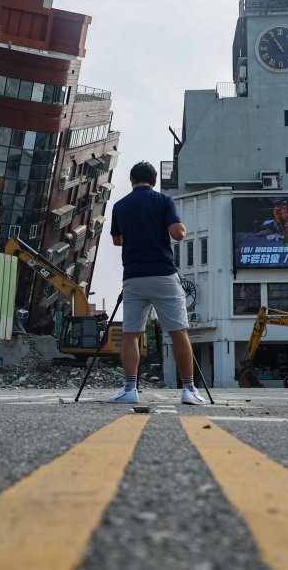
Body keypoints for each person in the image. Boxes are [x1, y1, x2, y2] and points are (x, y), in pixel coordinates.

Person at [108, 161, 205, 405]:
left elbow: (117, 240)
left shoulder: (120, 206)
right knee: (178, 332)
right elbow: (178, 234)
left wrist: (136, 237)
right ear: (153, 181)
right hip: (163, 274)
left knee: (131, 334)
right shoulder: (164, 201)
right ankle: (189, 390)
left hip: (133, 276)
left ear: (131, 180)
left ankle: (129, 389)